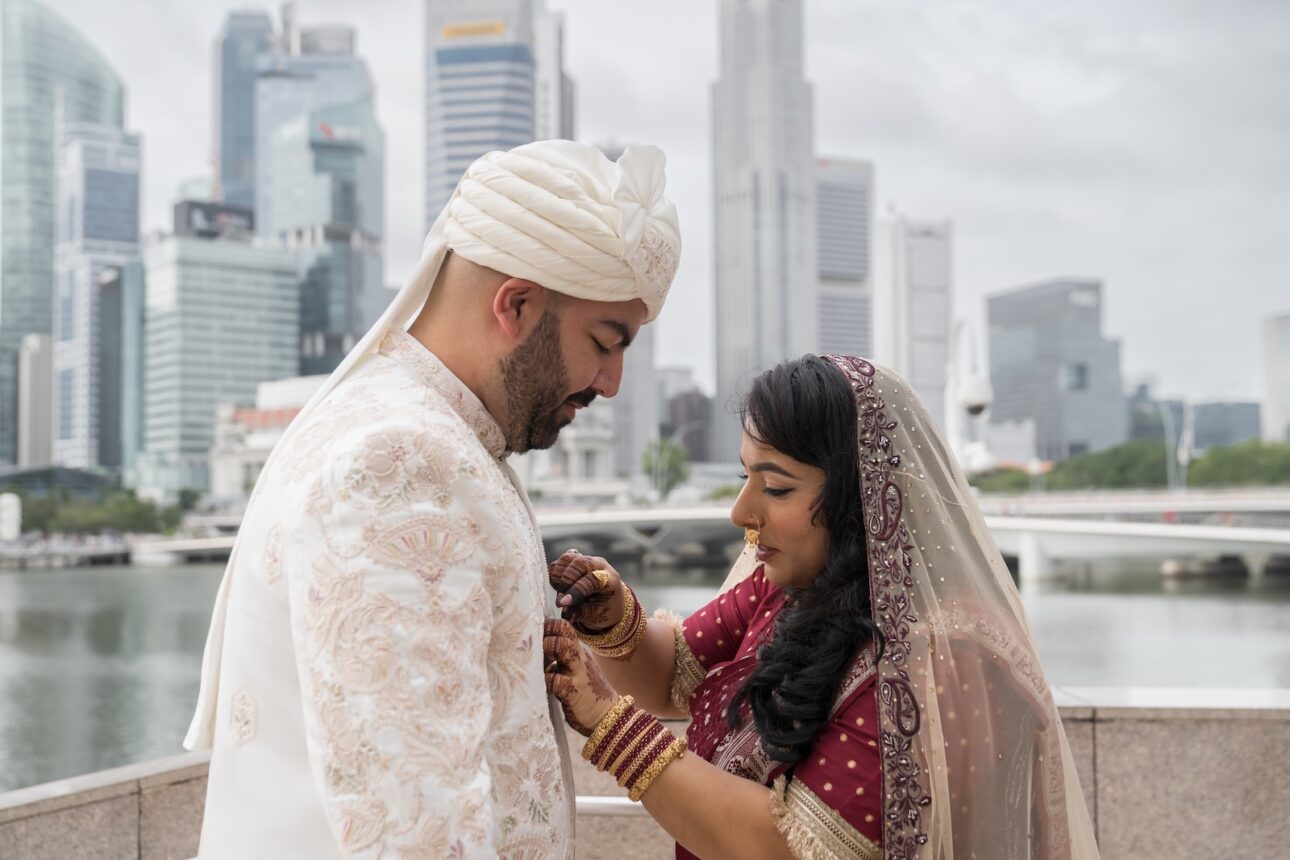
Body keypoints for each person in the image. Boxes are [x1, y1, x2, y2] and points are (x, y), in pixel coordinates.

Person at [184, 140, 681, 858]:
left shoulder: (435, 435)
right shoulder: (402, 462)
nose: (612, 383)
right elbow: (414, 827)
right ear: (516, 304)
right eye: (606, 341)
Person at [545, 354, 1101, 859]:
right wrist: (611, 618)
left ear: (860, 495)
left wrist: (608, 724)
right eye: (745, 478)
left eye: (776, 488)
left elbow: (790, 847)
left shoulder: (944, 659)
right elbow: (671, 676)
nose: (740, 513)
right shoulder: (790, 586)